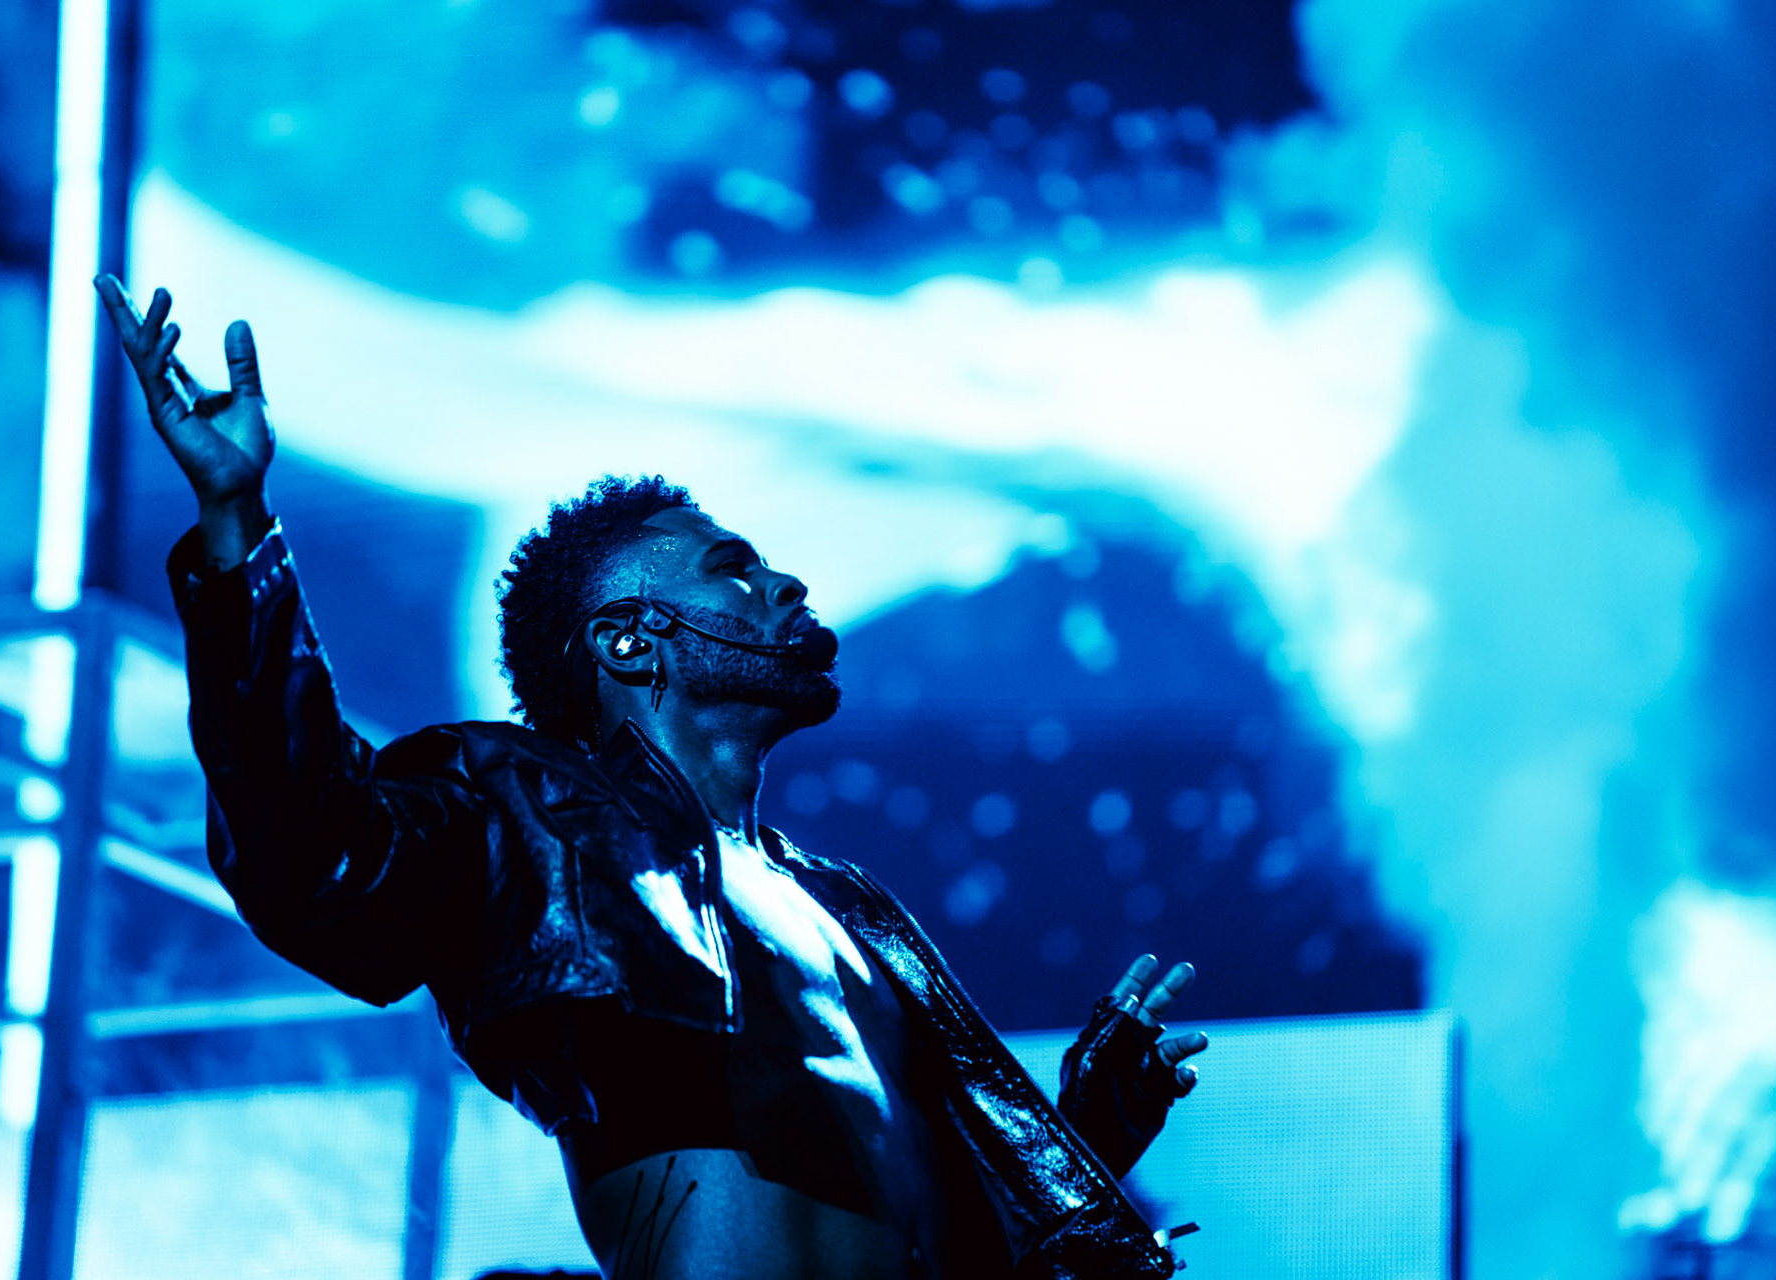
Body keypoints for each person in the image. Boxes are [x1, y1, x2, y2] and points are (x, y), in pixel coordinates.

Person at [96, 276, 1210, 1280]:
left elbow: (933, 1224)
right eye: (735, 569)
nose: (789, 585)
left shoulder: (854, 913)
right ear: (629, 643)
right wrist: (236, 525)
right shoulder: (524, 809)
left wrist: (1084, 1135)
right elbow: (313, 852)